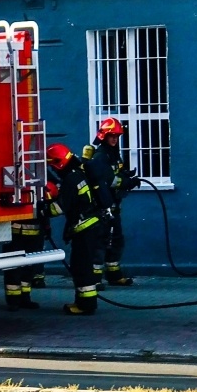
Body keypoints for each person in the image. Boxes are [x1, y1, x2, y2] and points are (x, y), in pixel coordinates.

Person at [46, 143, 107, 315]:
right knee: (84, 265)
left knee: (81, 266)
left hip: (84, 228)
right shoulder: (79, 173)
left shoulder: (70, 180)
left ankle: (85, 305)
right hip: (92, 224)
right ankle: (86, 302)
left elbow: (59, 208)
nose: (53, 169)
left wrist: (42, 209)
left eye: (52, 166)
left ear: (58, 163)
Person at [83, 117, 139, 287]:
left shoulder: (113, 154)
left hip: (114, 206)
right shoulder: (101, 156)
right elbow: (110, 181)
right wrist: (127, 182)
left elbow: (116, 173)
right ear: (104, 136)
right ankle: (94, 279)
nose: (114, 139)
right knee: (101, 241)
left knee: (116, 240)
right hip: (102, 208)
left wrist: (126, 175)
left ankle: (114, 275)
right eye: (111, 136)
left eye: (117, 136)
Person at [2, 183, 54, 311]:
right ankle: (13, 301)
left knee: (29, 268)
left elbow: (45, 209)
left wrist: (46, 227)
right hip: (16, 235)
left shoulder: (42, 185)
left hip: (33, 235)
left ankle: (25, 298)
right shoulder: (13, 186)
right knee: (13, 267)